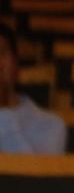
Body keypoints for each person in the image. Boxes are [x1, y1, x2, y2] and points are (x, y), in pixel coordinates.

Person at [0, 24, 66, 154]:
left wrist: (4, 114)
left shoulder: (51, 126)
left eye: (1, 53)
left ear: (15, 64)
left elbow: (34, 173)